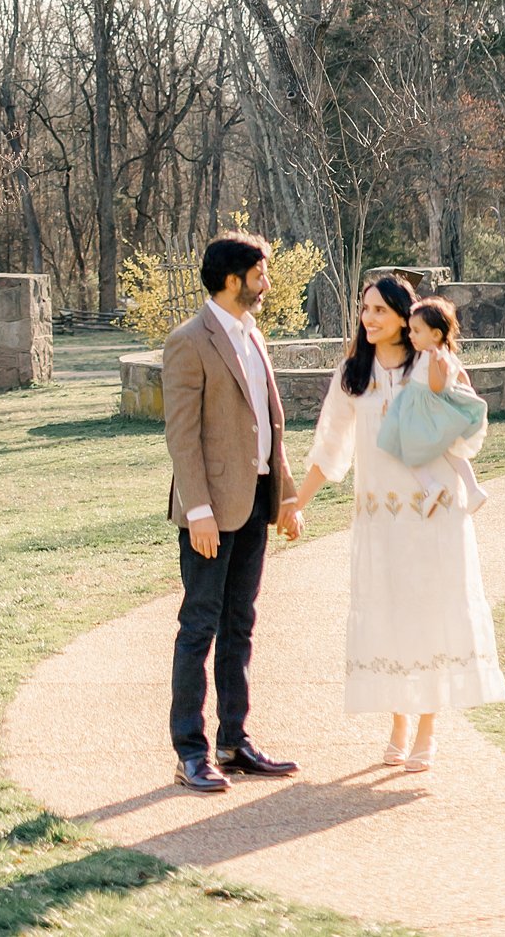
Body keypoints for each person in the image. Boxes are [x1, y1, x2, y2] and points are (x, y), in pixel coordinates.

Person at [283, 274, 505, 780]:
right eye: (365, 310)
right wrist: (299, 501)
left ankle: (427, 729)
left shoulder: (431, 364)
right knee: (390, 616)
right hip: (379, 517)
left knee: (429, 614)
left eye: (380, 310)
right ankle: (399, 723)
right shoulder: (352, 374)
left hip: (435, 513)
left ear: (406, 316)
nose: (369, 319)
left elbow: (470, 424)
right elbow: (330, 446)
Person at [162, 231, 301, 794]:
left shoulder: (254, 336)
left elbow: (269, 424)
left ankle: (233, 742)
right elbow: (182, 435)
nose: (266, 284)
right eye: (260, 274)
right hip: (210, 512)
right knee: (199, 626)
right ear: (231, 278)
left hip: (255, 503)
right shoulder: (188, 342)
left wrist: (287, 494)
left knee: (240, 623)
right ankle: (189, 753)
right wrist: (196, 509)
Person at [378, 297, 490, 514]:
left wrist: (433, 366)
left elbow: (436, 386)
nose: (411, 335)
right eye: (410, 330)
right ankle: (473, 489)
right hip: (428, 409)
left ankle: (431, 487)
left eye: (416, 331)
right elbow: (462, 376)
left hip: (424, 411)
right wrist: (466, 390)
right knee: (450, 451)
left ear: (436, 334)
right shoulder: (442, 354)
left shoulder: (436, 357)